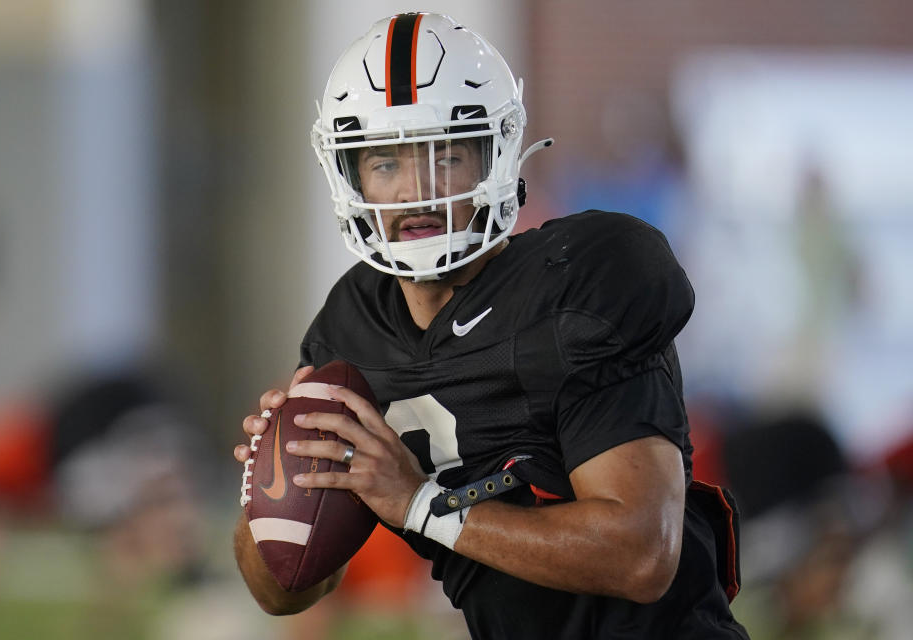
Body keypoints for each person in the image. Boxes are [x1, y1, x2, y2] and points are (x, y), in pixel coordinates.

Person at [233, 12, 748, 639]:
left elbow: (641, 555)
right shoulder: (352, 329)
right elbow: (284, 592)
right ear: (350, 175)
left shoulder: (578, 287)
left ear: (495, 157)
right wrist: (270, 483)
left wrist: (419, 501)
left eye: (446, 155)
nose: (417, 193)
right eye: (386, 164)